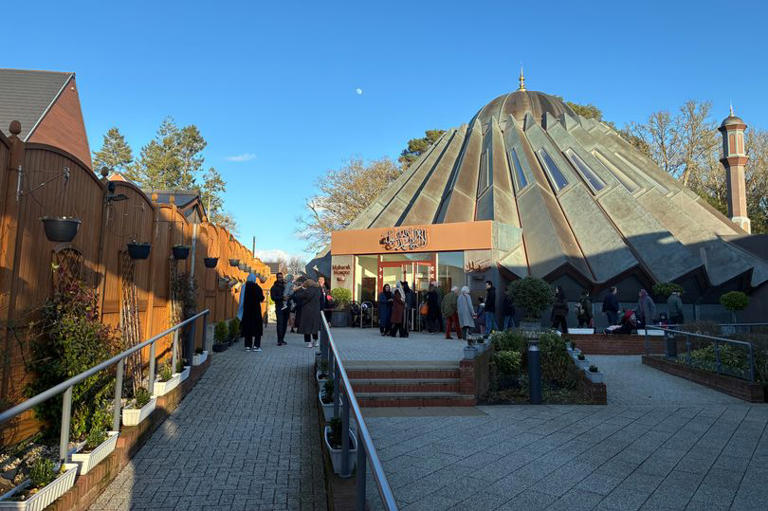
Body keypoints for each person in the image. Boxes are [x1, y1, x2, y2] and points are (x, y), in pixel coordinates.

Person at [237, 273, 265, 352]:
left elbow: (241, 300)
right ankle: (256, 346)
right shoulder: (257, 287)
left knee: (247, 328)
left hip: (247, 311)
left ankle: (247, 346)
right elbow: (261, 298)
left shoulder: (244, 287)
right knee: (257, 329)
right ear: (254, 279)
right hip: (256, 312)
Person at [292, 279, 323, 348]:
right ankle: (316, 341)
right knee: (314, 327)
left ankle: (309, 343)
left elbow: (298, 296)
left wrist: (300, 288)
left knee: (306, 327)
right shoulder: (318, 290)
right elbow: (321, 300)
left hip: (307, 311)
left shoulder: (307, 290)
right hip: (316, 311)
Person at [270, 272, 288, 346]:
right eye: (279, 277)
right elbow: (273, 298)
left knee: (284, 324)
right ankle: (279, 340)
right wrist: (282, 298)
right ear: (277, 278)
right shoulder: (274, 287)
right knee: (280, 324)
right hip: (279, 307)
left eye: (281, 277)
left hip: (286, 307)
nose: (281, 278)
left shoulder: (285, 286)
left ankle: (282, 339)